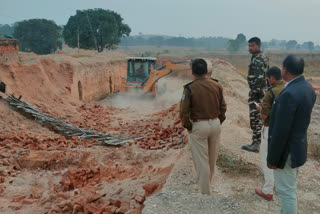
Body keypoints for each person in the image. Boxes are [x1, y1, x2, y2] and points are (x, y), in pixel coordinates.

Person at [267, 55, 316, 214]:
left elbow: (281, 131)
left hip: (286, 151)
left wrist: (272, 158)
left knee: (286, 192)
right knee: (290, 189)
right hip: (298, 147)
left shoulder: (289, 94)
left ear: (285, 70)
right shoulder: (307, 88)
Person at [179, 58, 227, 195]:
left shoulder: (189, 88)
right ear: (207, 71)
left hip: (199, 126)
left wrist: (188, 126)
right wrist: (219, 120)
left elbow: (183, 111)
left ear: (193, 72)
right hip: (215, 124)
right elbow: (223, 106)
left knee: (201, 161)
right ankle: (208, 184)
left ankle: (205, 192)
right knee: (212, 159)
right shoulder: (217, 85)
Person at [254, 66, 285, 200]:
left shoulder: (270, 93)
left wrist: (260, 109)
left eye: (268, 78)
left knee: (267, 159)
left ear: (272, 78)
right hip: (283, 130)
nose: (267, 80)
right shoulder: (287, 89)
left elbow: (264, 116)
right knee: (280, 159)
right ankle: (280, 187)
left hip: (270, 129)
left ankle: (267, 190)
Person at [241, 37, 269, 153]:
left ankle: (256, 144)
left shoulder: (258, 59)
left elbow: (259, 79)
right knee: (259, 118)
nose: (250, 48)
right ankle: (258, 143)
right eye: (249, 46)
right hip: (261, 93)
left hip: (258, 94)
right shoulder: (260, 57)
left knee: (255, 118)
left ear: (258, 46)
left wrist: (254, 94)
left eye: (252, 45)